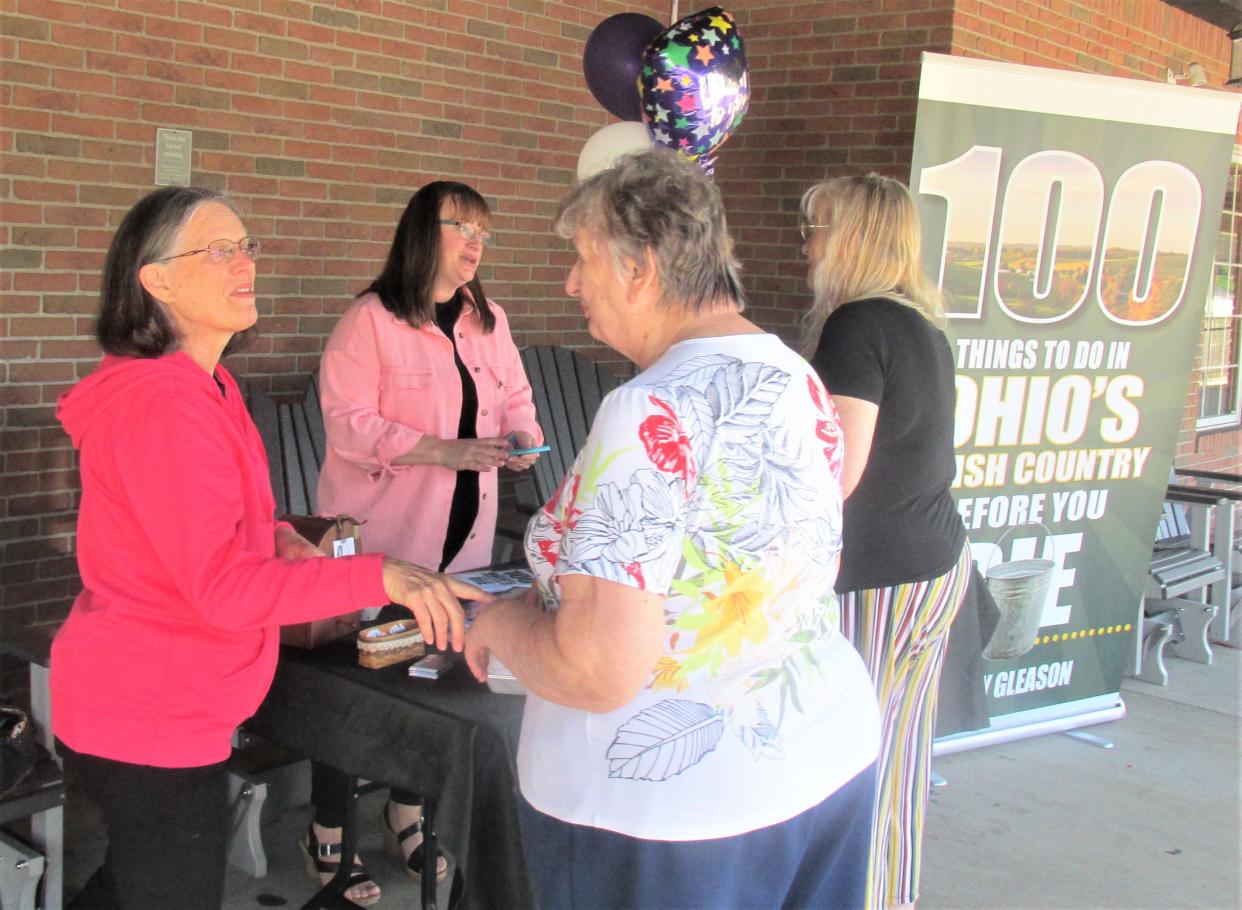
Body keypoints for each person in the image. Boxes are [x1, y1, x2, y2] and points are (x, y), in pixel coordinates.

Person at [464, 149, 882, 910]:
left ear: (641, 268)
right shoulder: (795, 372)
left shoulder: (648, 409)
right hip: (823, 754)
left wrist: (495, 623)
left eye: (581, 259)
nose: (569, 283)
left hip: (672, 820)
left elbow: (598, 670)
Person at [50, 185, 484, 910]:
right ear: (155, 280)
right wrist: (384, 578)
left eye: (247, 245)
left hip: (173, 702)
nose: (245, 262)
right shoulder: (163, 404)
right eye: (218, 249)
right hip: (148, 710)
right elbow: (222, 588)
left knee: (131, 889)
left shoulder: (207, 384)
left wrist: (278, 535)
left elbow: (208, 526)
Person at [308, 180, 544, 902]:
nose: (475, 245)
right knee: (352, 688)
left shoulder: (488, 319)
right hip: (384, 540)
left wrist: (525, 440)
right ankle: (327, 832)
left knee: (430, 679)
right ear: (421, 232)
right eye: (460, 227)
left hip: (464, 539)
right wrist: (439, 450)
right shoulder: (371, 319)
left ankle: (406, 810)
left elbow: (516, 401)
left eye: (484, 232)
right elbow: (347, 421)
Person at [800, 173, 972, 910]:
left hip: (876, 579)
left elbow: (834, 471)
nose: (807, 242)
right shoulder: (921, 325)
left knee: (841, 762)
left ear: (853, 238)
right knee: (897, 760)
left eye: (818, 227)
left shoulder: (857, 324)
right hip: (934, 566)